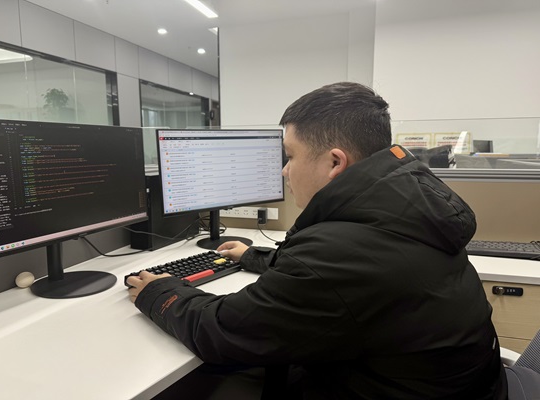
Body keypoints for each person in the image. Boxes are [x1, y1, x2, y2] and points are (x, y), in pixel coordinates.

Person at [127, 82, 507, 399]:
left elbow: (223, 331)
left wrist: (160, 293)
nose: (284, 170)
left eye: (291, 156)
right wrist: (253, 256)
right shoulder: (404, 207)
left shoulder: (339, 255)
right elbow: (331, 279)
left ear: (334, 163)